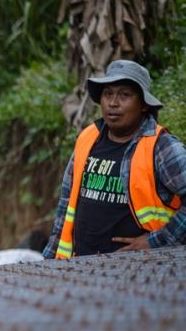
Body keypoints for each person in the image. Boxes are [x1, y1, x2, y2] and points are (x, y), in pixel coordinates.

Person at [44, 60, 186, 259]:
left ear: (144, 104)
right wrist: (49, 260)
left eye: (124, 95)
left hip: (143, 272)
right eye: (107, 94)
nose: (113, 103)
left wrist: (155, 242)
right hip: (79, 269)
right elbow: (66, 206)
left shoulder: (161, 147)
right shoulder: (87, 138)